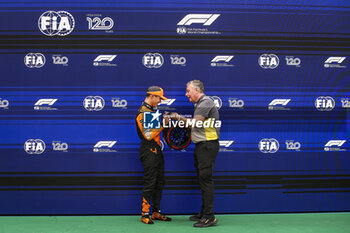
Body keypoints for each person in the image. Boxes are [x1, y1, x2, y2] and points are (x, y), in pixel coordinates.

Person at [171, 80, 220, 227]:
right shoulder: (199, 103)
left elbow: (196, 123)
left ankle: (209, 217)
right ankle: (204, 212)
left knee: (205, 180)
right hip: (202, 145)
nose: (186, 94)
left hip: (207, 146)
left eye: (188, 91)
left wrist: (179, 118)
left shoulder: (205, 103)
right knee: (202, 179)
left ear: (197, 90)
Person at [135, 86, 172, 224]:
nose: (160, 101)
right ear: (152, 96)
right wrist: (163, 124)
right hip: (148, 151)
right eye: (159, 98)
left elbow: (154, 132)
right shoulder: (142, 112)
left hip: (157, 151)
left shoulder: (151, 111)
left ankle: (156, 212)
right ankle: (145, 214)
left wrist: (164, 124)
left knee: (159, 182)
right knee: (150, 182)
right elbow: (148, 135)